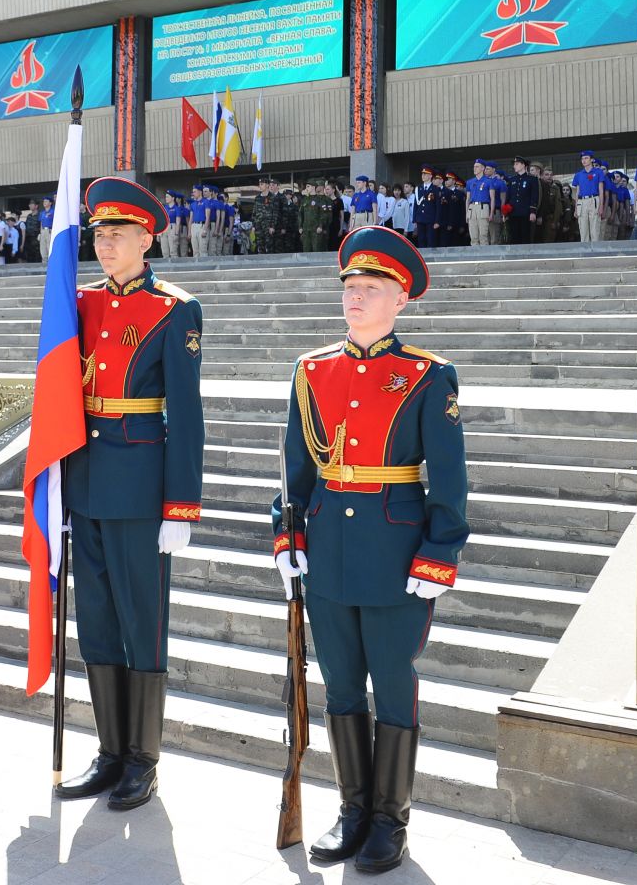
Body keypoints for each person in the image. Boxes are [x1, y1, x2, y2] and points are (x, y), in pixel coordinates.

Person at [272, 225, 467, 872]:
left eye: (370, 289)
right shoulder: (311, 370)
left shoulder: (425, 376)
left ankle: (390, 819)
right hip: (327, 547)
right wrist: (287, 535)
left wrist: (439, 550)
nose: (354, 299)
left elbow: (449, 475)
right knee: (340, 688)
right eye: (350, 288)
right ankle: (352, 809)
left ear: (400, 300)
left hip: (395, 554)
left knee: (390, 683)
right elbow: (295, 469)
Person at [54, 177, 204, 812]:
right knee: (98, 622)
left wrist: (181, 506)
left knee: (142, 622)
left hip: (141, 484)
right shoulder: (79, 303)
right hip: (85, 479)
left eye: (117, 234)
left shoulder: (173, 309)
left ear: (147, 239)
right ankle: (110, 749)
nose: (105, 243)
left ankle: (143, 757)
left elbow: (187, 414)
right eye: (99, 234)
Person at [570, 152, 604, 243]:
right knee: (583, 229)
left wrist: (601, 207)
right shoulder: (578, 175)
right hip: (582, 201)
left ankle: (595, 253)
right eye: (582, 159)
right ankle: (585, 253)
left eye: (586, 158)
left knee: (595, 229)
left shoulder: (598, 172)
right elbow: (577, 192)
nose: (584, 160)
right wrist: (576, 208)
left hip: (594, 200)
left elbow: (601, 190)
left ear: (592, 159)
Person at [508, 158, 539, 244]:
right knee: (514, 237)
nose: (514, 166)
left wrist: (533, 212)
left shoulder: (532, 179)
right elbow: (508, 196)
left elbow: (534, 196)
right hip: (513, 213)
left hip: (526, 213)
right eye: (514, 164)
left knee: (525, 237)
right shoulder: (512, 180)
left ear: (523, 165)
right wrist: (505, 211)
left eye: (516, 164)